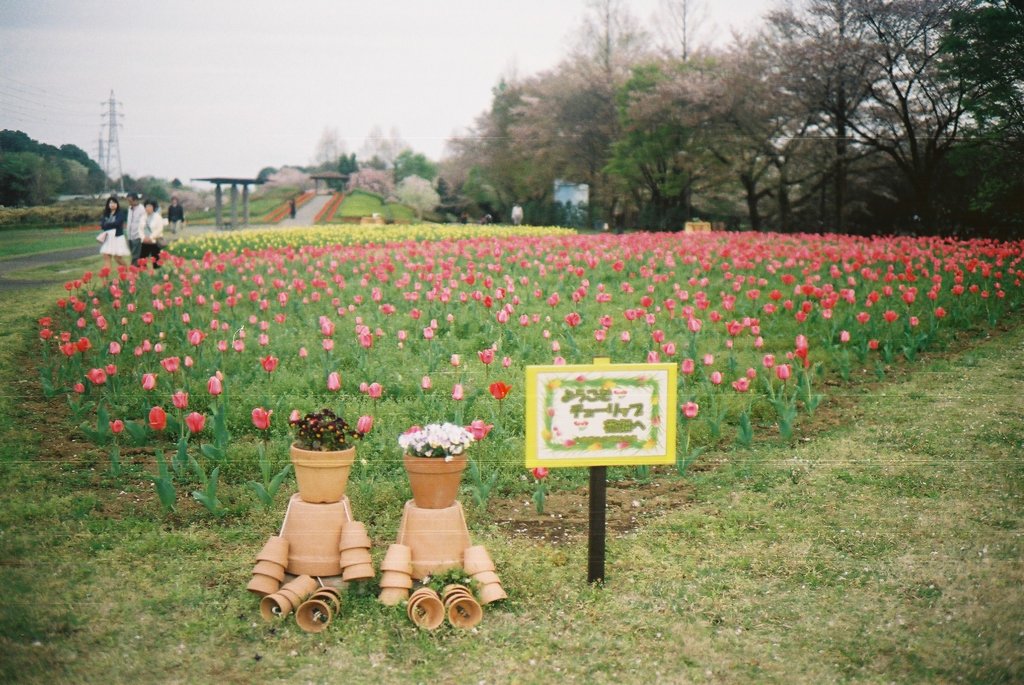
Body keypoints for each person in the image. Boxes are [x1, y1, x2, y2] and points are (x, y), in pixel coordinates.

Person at [98, 195, 130, 275]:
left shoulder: (120, 213)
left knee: (117, 258)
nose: (112, 204)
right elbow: (102, 225)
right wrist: (109, 224)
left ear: (117, 204)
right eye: (110, 203)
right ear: (108, 205)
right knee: (106, 256)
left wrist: (107, 224)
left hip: (117, 238)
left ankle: (128, 271)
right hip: (108, 238)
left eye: (114, 203)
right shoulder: (106, 214)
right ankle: (106, 278)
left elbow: (117, 223)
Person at [139, 199, 165, 268]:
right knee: (142, 260)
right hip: (145, 241)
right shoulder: (143, 217)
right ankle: (143, 274)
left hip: (154, 241)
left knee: (156, 261)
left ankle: (157, 275)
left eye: (150, 206)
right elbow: (140, 229)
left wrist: (151, 237)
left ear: (154, 207)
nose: (148, 208)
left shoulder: (157, 217)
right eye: (146, 206)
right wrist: (143, 237)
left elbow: (159, 229)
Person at [124, 192, 146, 266]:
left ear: (136, 200)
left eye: (130, 201)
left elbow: (144, 223)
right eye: (128, 201)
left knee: (135, 256)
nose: (129, 203)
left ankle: (133, 270)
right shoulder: (129, 208)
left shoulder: (141, 209)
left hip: (137, 236)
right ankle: (143, 268)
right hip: (130, 236)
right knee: (136, 254)